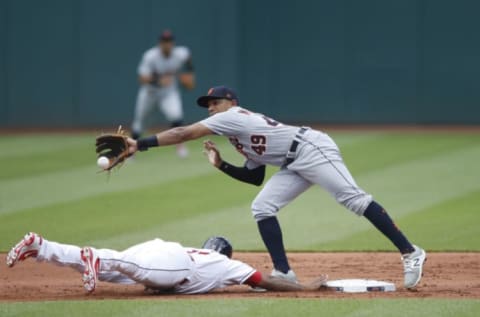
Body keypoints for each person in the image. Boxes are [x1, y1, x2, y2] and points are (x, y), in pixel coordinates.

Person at [125, 85, 427, 289]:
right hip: (293, 162)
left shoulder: (232, 118)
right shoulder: (236, 137)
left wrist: (141, 143)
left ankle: (411, 252)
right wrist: (221, 165)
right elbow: (254, 177)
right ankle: (284, 272)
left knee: (354, 200)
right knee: (262, 206)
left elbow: (181, 133)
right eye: (208, 105)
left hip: (312, 148)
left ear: (232, 103)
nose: (211, 108)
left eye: (216, 102)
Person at [6, 232, 327, 294]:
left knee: (115, 270)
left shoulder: (200, 251)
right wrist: (304, 287)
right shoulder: (226, 265)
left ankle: (43, 246)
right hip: (174, 266)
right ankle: (95, 255)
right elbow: (265, 281)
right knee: (138, 271)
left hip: (159, 248)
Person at [131, 29, 195, 158]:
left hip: (169, 93)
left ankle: (180, 147)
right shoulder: (150, 56)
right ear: (160, 43)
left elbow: (188, 60)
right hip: (150, 93)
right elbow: (142, 78)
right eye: (164, 41)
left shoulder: (180, 53)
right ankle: (131, 149)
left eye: (169, 41)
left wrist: (189, 74)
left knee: (176, 116)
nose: (167, 44)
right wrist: (158, 81)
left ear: (173, 43)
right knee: (140, 122)